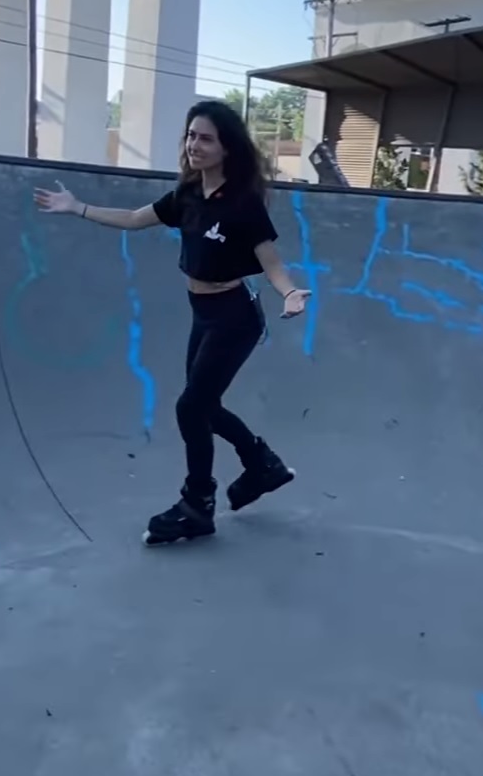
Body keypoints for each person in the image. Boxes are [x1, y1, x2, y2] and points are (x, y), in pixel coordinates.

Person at [34, 99, 310, 546]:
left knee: (191, 407)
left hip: (234, 317)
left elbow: (272, 263)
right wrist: (76, 206)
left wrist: (291, 292)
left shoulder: (243, 205)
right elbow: (132, 219)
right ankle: (262, 464)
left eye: (205, 138)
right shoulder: (186, 195)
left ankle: (197, 504)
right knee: (204, 406)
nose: (194, 144)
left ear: (226, 148)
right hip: (202, 315)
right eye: (190, 135)